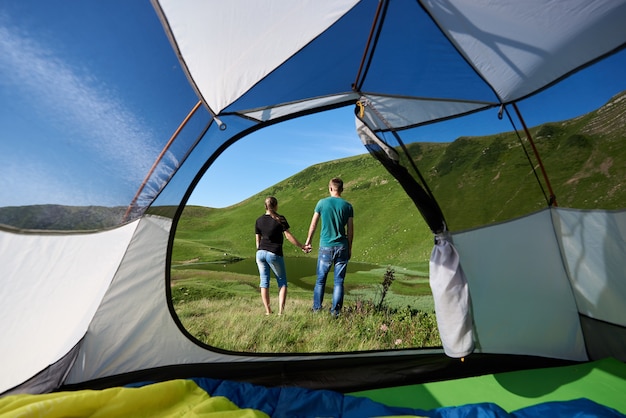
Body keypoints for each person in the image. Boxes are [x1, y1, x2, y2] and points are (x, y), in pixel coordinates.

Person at [305, 178, 354, 317]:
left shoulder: (321, 203)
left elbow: (313, 224)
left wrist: (308, 241)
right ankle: (335, 312)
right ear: (342, 189)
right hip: (342, 246)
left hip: (326, 246)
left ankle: (316, 309)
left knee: (320, 280)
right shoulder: (348, 206)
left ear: (330, 188)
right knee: (339, 281)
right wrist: (349, 248)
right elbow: (350, 230)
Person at [255, 196, 309, 316]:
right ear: (276, 206)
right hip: (274, 253)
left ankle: (268, 312)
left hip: (260, 253)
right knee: (282, 282)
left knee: (264, 282)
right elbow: (288, 236)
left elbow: (258, 241)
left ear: (265, 206)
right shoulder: (280, 219)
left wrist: (260, 251)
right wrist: (302, 246)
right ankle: (280, 313)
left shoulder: (259, 220)